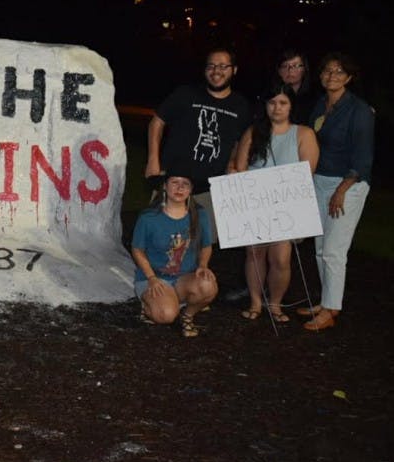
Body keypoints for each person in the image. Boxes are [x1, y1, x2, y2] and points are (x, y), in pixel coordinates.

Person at [145, 47, 252, 244]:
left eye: (223, 66)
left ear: (234, 70)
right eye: (211, 66)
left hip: (209, 189)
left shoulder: (241, 106)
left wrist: (232, 163)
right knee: (159, 240)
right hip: (172, 182)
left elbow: (240, 140)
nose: (216, 71)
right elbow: (157, 122)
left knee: (202, 245)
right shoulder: (185, 93)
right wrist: (153, 159)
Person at [299, 53, 374, 331]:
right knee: (320, 248)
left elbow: (363, 158)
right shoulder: (320, 105)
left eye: (339, 72)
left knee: (334, 250)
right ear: (320, 76)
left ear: (349, 78)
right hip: (320, 180)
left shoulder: (360, 111)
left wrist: (342, 189)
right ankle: (325, 300)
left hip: (348, 184)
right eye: (328, 71)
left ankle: (331, 310)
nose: (332, 76)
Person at [234, 81, 319, 322]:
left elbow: (307, 172)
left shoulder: (304, 134)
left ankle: (275, 303)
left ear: (291, 106)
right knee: (254, 253)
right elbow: (241, 167)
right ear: (265, 106)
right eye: (272, 103)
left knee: (280, 257)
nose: (277, 108)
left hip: (286, 207)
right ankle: (255, 302)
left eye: (283, 103)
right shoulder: (253, 132)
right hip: (256, 204)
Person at [131, 166, 217, 337]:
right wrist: (152, 278)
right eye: (175, 182)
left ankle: (187, 315)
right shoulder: (149, 218)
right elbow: (137, 250)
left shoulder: (199, 215)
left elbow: (206, 245)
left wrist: (202, 265)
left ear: (191, 189)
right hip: (155, 277)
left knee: (208, 286)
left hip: (183, 278)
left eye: (185, 184)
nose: (180, 188)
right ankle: (151, 304)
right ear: (165, 186)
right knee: (166, 315)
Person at [276, 48, 315, 125]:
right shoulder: (271, 96)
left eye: (295, 65)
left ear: (304, 69)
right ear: (279, 71)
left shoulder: (316, 97)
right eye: (285, 66)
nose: (290, 70)